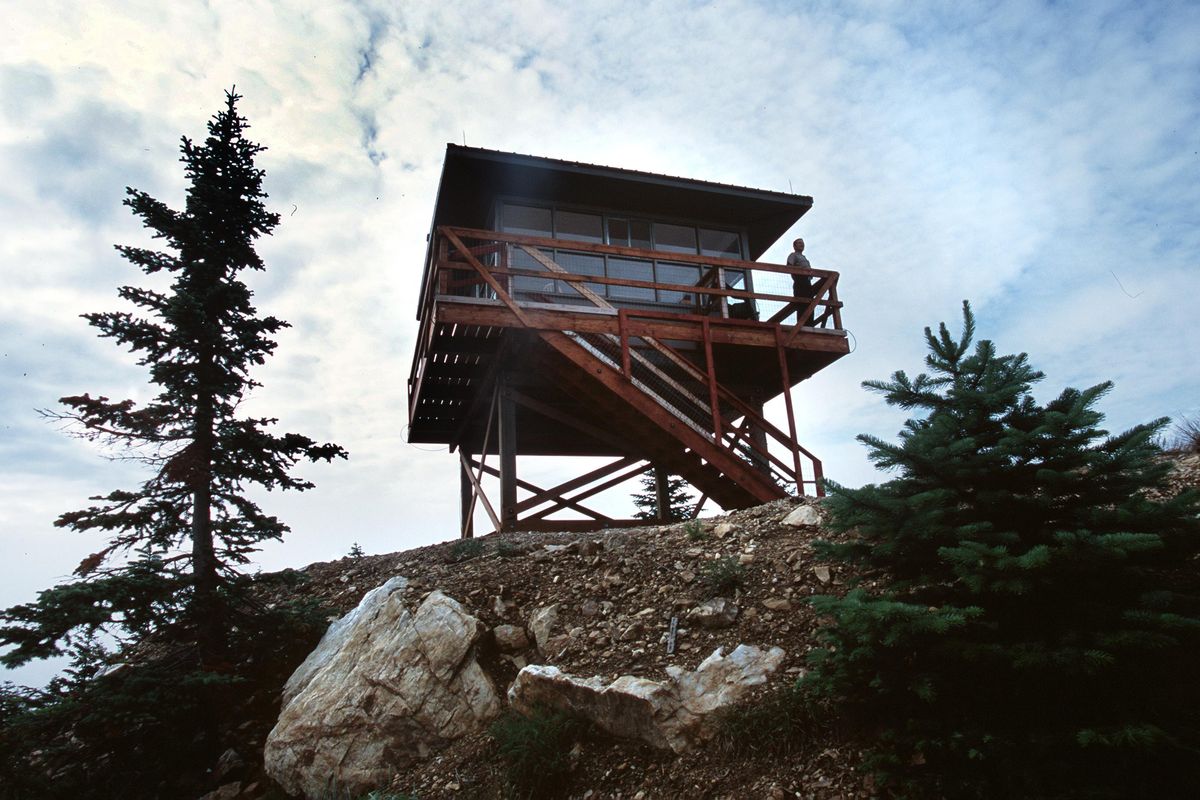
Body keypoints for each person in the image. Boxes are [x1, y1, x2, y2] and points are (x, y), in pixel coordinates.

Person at [787, 238, 817, 326]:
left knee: (810, 303)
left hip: (807, 282)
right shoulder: (793, 255)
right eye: (799, 243)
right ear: (794, 246)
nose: (802, 244)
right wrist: (799, 274)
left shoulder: (804, 258)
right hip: (800, 281)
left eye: (802, 243)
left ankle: (810, 324)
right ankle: (802, 325)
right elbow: (789, 266)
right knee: (802, 304)